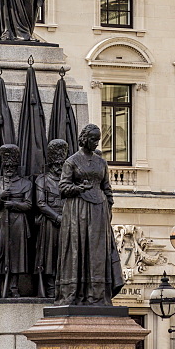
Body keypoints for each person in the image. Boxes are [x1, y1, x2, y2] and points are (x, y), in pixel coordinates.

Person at [55, 124, 123, 305]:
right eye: (93, 139)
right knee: (79, 249)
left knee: (98, 251)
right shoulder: (72, 161)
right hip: (78, 210)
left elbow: (107, 188)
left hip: (99, 211)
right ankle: (75, 293)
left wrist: (108, 206)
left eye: (98, 139)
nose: (96, 143)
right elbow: (62, 187)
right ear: (84, 139)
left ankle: (98, 294)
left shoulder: (102, 162)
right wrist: (78, 188)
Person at [0, 144, 33, 298]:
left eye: (12, 166)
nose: (9, 169)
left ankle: (13, 287)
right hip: (0, 221)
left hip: (18, 222)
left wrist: (14, 204)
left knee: (16, 254)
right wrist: (0, 197)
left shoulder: (26, 184)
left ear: (16, 167)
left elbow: (29, 205)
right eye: (6, 166)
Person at [34, 139, 69, 299]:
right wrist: (56, 217)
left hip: (67, 222)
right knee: (48, 257)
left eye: (60, 165)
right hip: (49, 223)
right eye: (56, 166)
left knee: (65, 255)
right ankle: (49, 288)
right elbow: (41, 203)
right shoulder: (41, 180)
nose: (58, 169)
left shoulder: (67, 181)